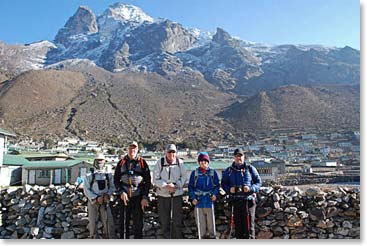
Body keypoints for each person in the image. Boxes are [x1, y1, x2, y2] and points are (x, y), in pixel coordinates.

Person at [114, 141, 151, 239]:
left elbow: (148, 181)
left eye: (134, 148)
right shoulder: (121, 162)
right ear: (127, 149)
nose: (132, 150)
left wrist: (145, 197)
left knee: (138, 224)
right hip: (124, 197)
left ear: (137, 149)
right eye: (130, 148)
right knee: (123, 224)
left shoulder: (142, 162)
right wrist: (121, 192)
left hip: (138, 197)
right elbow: (116, 179)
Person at [221, 149, 262, 239]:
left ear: (244, 157)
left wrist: (250, 189)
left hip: (248, 202)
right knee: (238, 227)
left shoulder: (250, 169)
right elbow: (223, 183)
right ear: (234, 157)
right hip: (235, 201)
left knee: (249, 228)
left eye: (240, 156)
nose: (238, 158)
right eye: (236, 156)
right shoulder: (229, 170)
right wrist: (229, 189)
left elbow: (259, 182)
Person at [153, 144, 187, 239]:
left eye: (173, 152)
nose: (171, 154)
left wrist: (176, 185)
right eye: (169, 152)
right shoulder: (160, 163)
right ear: (166, 152)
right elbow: (155, 179)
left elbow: (184, 177)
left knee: (177, 221)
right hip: (163, 196)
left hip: (176, 195)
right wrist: (166, 186)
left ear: (176, 153)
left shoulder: (180, 163)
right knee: (164, 221)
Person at [83, 153, 116, 239]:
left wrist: (107, 195)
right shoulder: (89, 175)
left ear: (105, 161)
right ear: (94, 161)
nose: (100, 162)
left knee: (108, 223)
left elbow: (113, 187)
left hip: (105, 202)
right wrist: (96, 198)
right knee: (93, 224)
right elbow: (86, 189)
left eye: (101, 160)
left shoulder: (108, 175)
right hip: (93, 202)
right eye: (98, 160)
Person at [188, 152, 220, 239]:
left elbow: (217, 186)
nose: (203, 162)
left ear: (208, 162)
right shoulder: (194, 173)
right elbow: (191, 187)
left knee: (211, 223)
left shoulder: (213, 173)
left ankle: (213, 239)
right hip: (198, 201)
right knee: (200, 224)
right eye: (201, 161)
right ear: (199, 162)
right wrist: (193, 198)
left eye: (205, 160)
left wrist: (214, 194)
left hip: (209, 201)